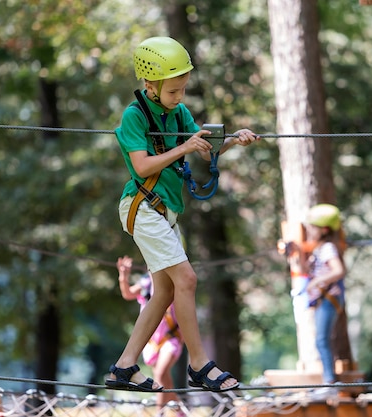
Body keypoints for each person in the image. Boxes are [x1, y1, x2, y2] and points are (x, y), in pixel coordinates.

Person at [106, 36, 260, 393]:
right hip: (142, 208)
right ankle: (199, 364)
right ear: (150, 85)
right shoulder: (134, 116)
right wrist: (185, 147)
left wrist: (234, 139)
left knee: (163, 292)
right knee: (186, 280)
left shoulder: (179, 113)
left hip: (166, 212)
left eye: (183, 89)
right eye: (174, 91)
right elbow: (142, 167)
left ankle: (124, 367)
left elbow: (204, 150)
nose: (180, 97)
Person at [116, 256, 184, 414]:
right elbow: (127, 293)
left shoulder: (175, 281)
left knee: (160, 373)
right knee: (164, 380)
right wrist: (123, 276)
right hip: (151, 340)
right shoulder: (145, 283)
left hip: (170, 337)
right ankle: (179, 410)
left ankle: (159, 413)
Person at [300, 204, 347, 385]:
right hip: (324, 300)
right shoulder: (319, 249)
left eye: (313, 227)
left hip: (329, 299)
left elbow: (338, 271)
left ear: (324, 229)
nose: (309, 230)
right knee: (321, 340)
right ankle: (329, 379)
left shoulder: (328, 248)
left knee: (321, 340)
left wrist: (317, 282)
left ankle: (330, 381)